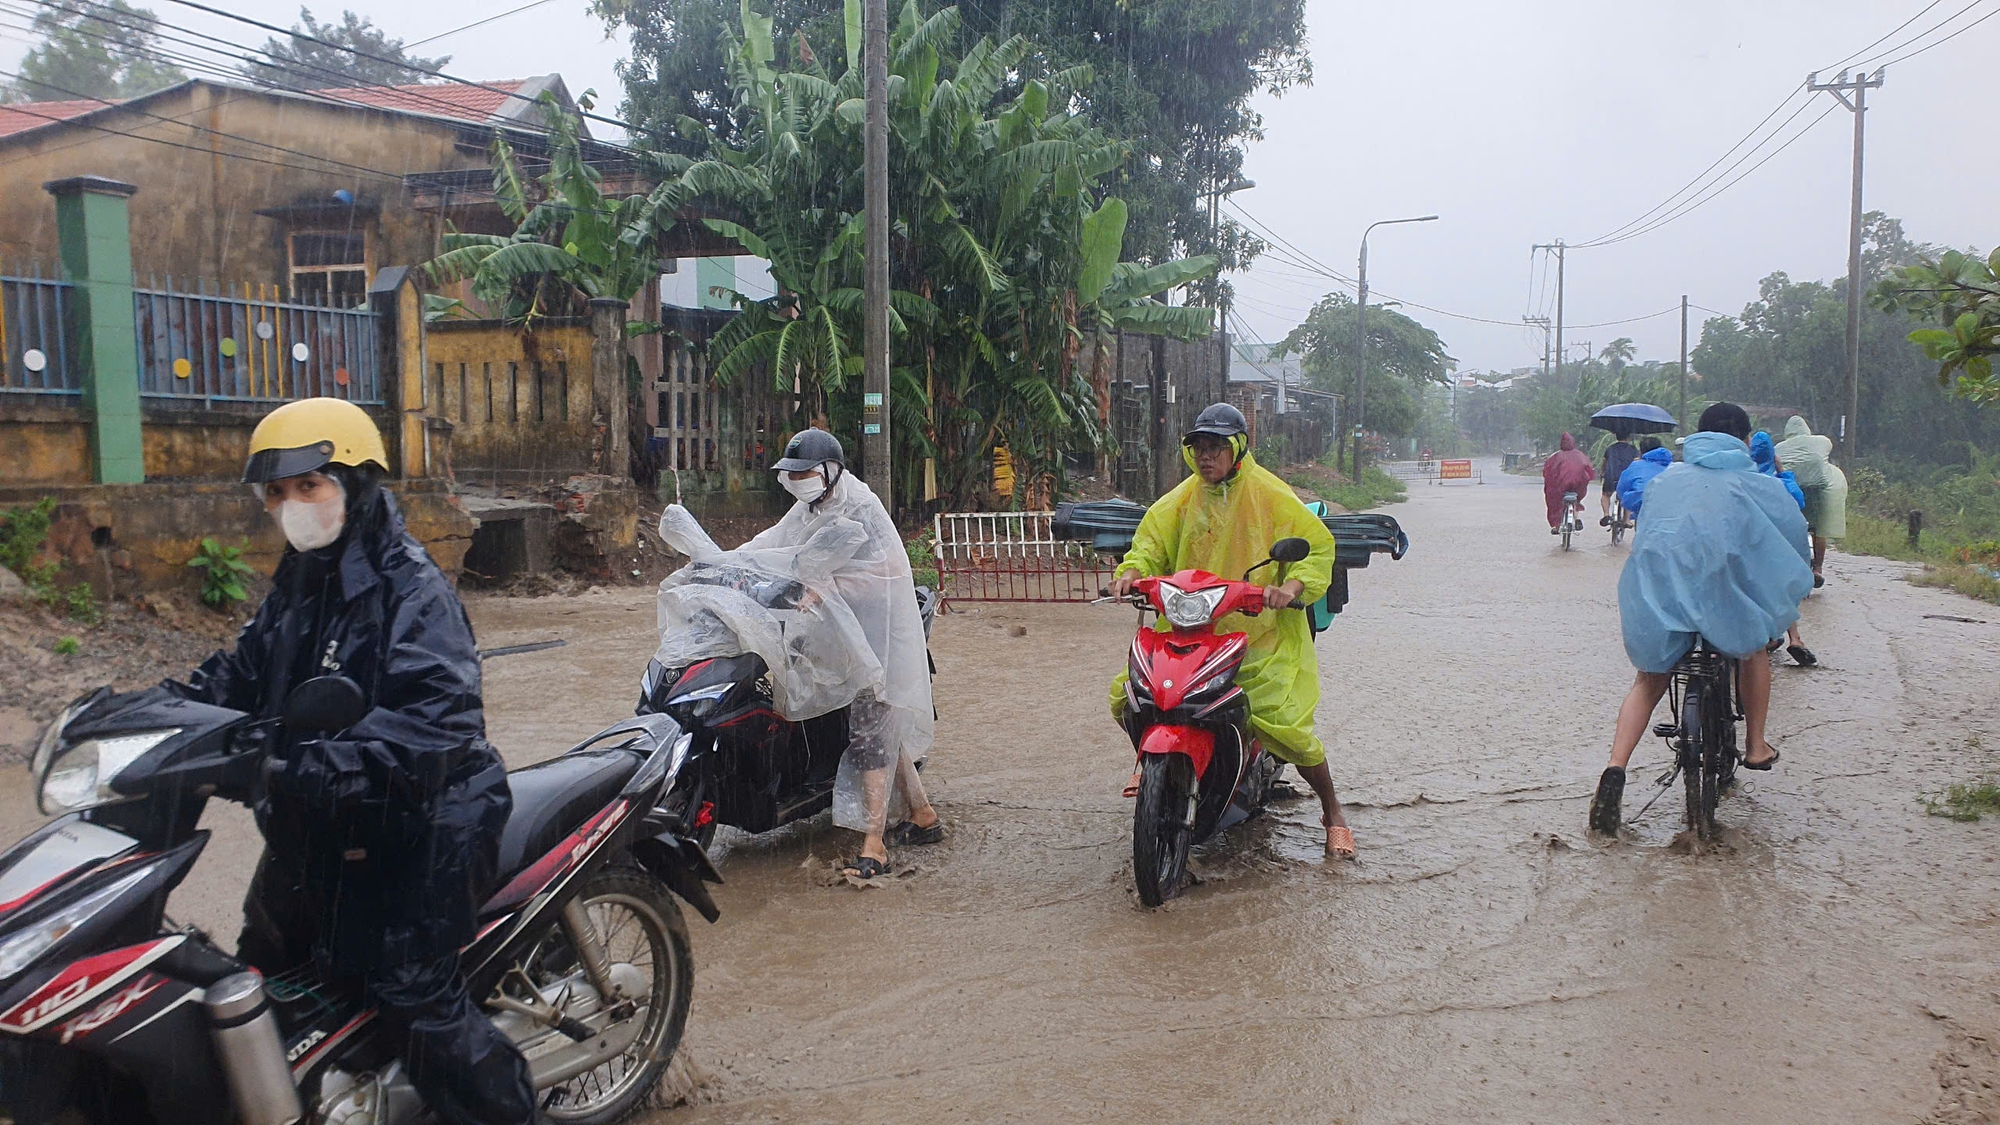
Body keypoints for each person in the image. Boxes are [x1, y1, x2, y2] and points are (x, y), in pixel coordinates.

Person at [170, 398, 532, 1124]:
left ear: (356, 484)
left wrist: (292, 766)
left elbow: (432, 725)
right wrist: (153, 719)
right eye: (277, 492)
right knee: (261, 966)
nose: (292, 505)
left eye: (310, 486)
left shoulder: (413, 590)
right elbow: (235, 677)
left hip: (424, 821)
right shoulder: (300, 585)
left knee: (412, 996)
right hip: (325, 819)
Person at [1106, 403, 1351, 857]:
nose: (1206, 456)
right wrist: (1131, 572)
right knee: (1130, 695)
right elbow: (1148, 544)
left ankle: (1332, 810)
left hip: (1258, 634)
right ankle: (1151, 762)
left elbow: (1316, 546)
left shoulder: (1270, 494)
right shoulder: (1181, 498)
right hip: (1188, 627)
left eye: (1216, 447)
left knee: (1282, 722)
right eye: (1199, 447)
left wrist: (1292, 585)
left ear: (1237, 448)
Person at [1588, 402, 1813, 836]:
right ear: (1746, 441)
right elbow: (1791, 546)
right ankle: (1755, 746)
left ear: (1697, 438)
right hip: (1729, 600)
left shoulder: (1666, 479)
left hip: (1663, 596)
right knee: (1752, 651)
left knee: (1650, 677)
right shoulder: (1761, 484)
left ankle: (1615, 770)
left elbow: (1649, 536)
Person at [754, 428, 943, 881]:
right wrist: (721, 562)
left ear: (831, 471)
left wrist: (826, 590)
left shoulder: (859, 506)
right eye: (791, 474)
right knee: (881, 727)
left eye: (805, 472)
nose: (797, 479)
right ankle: (922, 814)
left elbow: (887, 572)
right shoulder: (811, 507)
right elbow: (775, 543)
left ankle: (874, 845)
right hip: (844, 634)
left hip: (879, 634)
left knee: (869, 732)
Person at [1752, 431, 1817, 667]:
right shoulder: (1780, 483)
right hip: (1779, 552)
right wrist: (1782, 471)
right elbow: (1798, 501)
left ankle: (1766, 638)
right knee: (1783, 593)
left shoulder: (1743, 478)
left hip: (1750, 548)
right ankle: (1795, 639)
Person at [1774, 415, 1848, 588]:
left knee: (1787, 530)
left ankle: (1789, 566)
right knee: (1819, 530)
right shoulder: (1822, 441)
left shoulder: (1779, 448)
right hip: (1818, 494)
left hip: (1793, 495)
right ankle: (1818, 568)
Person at [1542, 431, 1595, 534]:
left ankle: (1557, 526)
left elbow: (1547, 472)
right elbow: (1590, 471)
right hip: (1578, 486)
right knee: (1576, 499)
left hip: (1561, 487)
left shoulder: (1555, 457)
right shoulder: (1581, 455)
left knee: (1556, 502)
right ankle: (1576, 517)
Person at [1616, 435, 1673, 516]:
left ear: (1641, 451)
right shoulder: (1674, 467)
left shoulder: (1635, 466)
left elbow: (1622, 488)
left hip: (1644, 507)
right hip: (1671, 509)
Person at [1598, 430, 1639, 526]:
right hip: (1626, 478)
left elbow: (1604, 463)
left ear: (1616, 437)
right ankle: (1627, 520)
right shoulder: (1633, 450)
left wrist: (1603, 472)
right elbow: (1637, 464)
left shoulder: (1610, 449)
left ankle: (1606, 515)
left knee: (1605, 495)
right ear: (1628, 437)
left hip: (1611, 477)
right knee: (1629, 496)